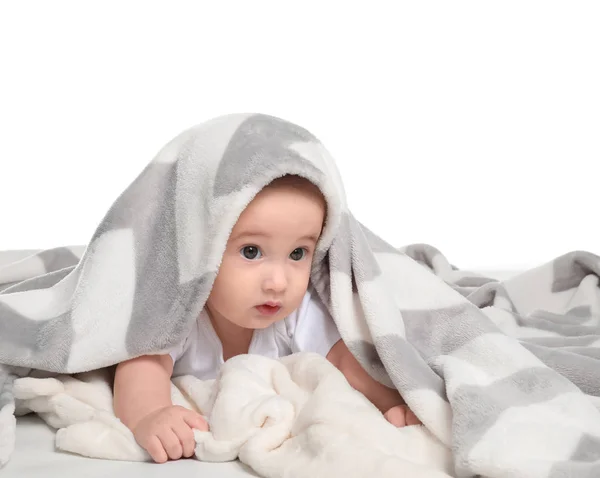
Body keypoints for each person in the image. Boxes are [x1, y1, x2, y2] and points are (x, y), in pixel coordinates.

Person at [113, 174, 420, 464]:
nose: (278, 282)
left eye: (298, 253)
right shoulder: (181, 311)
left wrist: (392, 401)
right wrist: (149, 414)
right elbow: (143, 365)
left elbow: (343, 360)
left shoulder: (298, 311)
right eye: (251, 251)